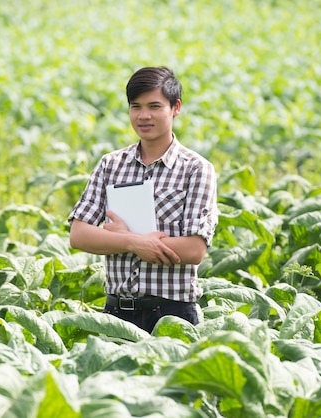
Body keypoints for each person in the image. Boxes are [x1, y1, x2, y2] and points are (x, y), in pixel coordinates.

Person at [68, 66, 218, 333]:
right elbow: (79, 235)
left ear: (176, 108)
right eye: (135, 107)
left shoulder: (196, 168)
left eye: (154, 106)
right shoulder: (110, 165)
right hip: (116, 312)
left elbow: (194, 249)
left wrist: (113, 239)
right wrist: (135, 242)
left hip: (173, 314)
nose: (143, 116)